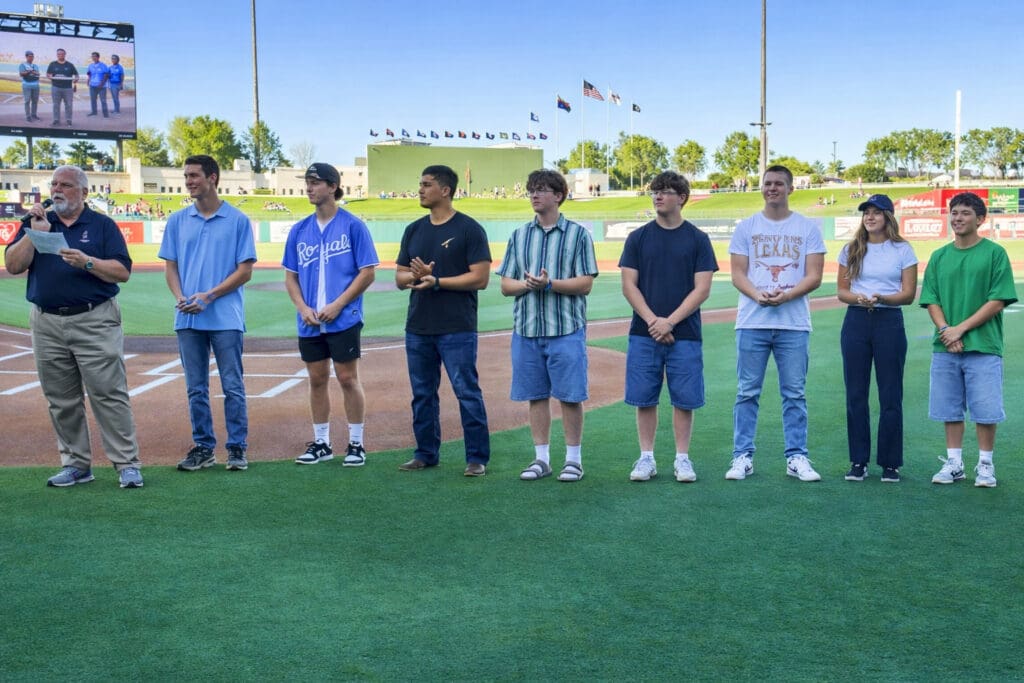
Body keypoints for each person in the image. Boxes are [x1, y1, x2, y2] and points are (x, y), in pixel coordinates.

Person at [3, 166, 142, 488]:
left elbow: (122, 271)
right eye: (53, 184)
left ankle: (126, 464)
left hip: (94, 319)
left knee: (108, 394)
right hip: (47, 321)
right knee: (61, 399)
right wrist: (35, 234)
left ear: (84, 192)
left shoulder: (102, 225)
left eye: (65, 185)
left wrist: (88, 262)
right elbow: (12, 265)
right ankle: (76, 465)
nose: (57, 190)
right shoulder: (34, 222)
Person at [727, 164, 826, 482]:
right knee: (747, 392)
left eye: (779, 184)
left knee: (794, 393)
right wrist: (757, 294)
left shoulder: (807, 228)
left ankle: (796, 456)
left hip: (793, 323)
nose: (772, 188)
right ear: (761, 187)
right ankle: (742, 456)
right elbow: (737, 273)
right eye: (767, 183)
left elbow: (814, 276)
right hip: (752, 321)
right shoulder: (746, 227)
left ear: (790, 188)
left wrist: (786, 296)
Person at [159, 155, 257, 472]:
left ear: (213, 178)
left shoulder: (237, 220)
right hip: (188, 317)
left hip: (225, 318)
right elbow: (170, 266)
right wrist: (180, 297)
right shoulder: (177, 221)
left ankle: (237, 448)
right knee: (196, 388)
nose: (189, 181)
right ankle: (203, 447)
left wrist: (210, 295)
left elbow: (245, 271)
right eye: (186, 176)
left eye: (195, 176)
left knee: (232, 386)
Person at [498, 169, 598, 482]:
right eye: (531, 190)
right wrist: (530, 286)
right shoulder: (519, 235)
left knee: (570, 395)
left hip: (565, 328)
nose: (534, 196)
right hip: (526, 328)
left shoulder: (578, 234)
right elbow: (505, 284)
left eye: (541, 190)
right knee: (536, 395)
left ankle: (573, 459)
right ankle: (541, 459)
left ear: (558, 195)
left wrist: (550, 284)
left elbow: (585, 283)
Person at [620, 171, 719, 483]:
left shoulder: (698, 239)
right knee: (644, 398)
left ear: (682, 198)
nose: (658, 196)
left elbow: (702, 288)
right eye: (655, 191)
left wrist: (670, 321)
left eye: (665, 191)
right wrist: (654, 322)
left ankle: (682, 459)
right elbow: (629, 285)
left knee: (684, 399)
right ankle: (646, 457)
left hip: (684, 334)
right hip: (644, 333)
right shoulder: (638, 237)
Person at [395, 165, 491, 476]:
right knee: (422, 394)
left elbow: (481, 278)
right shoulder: (413, 230)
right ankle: (425, 453)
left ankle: (476, 458)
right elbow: (399, 278)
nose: (420, 189)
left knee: (466, 391)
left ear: (445, 190)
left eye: (426, 184)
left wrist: (437, 281)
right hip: (418, 327)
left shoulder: (469, 229)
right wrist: (416, 275)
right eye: (419, 184)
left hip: (457, 327)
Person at [283, 163, 379, 466]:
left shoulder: (353, 226)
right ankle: (321, 443)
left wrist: (338, 304)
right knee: (316, 379)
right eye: (308, 182)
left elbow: (367, 273)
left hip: (344, 316)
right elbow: (291, 277)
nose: (309, 188)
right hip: (309, 320)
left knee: (348, 378)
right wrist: (302, 308)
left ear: (333, 186)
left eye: (316, 182)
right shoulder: (299, 230)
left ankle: (356, 443)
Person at [920, 192, 1016, 487]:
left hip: (983, 346)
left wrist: (959, 330)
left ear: (980, 219)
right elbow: (931, 299)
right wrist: (946, 331)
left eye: (964, 213)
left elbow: (998, 299)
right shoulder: (939, 256)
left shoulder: (994, 253)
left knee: (985, 410)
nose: (957, 218)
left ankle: (985, 465)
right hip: (946, 346)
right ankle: (954, 463)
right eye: (954, 213)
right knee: (949, 408)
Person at [836, 194, 918, 483]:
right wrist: (859, 297)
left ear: (888, 217)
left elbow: (908, 295)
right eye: (866, 213)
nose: (870, 217)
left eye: (876, 212)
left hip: (889, 321)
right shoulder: (851, 249)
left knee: (890, 395)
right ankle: (858, 461)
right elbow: (842, 291)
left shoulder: (903, 250)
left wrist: (884, 298)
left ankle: (890, 463)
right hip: (856, 320)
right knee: (856, 394)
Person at [46, 48, 78, 127]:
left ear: (65, 54)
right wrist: (50, 77)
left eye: (62, 54)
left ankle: (69, 120)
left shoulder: (70, 65)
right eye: (58, 54)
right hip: (56, 88)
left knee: (69, 105)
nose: (60, 55)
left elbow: (76, 75)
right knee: (56, 105)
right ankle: (56, 120)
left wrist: (75, 80)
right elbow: (48, 74)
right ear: (57, 55)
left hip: (68, 88)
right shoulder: (52, 64)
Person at [85, 52, 109, 118]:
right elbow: (89, 74)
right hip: (92, 86)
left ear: (98, 57)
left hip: (101, 87)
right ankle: (94, 112)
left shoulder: (103, 65)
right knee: (93, 100)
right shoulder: (90, 65)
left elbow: (106, 75)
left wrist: (101, 84)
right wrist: (88, 81)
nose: (93, 58)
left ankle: (105, 114)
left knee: (103, 100)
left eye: (95, 56)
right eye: (92, 56)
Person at [20, 50, 41, 122]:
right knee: (27, 101)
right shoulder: (22, 65)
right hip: (26, 85)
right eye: (29, 56)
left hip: (36, 85)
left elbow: (38, 74)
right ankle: (28, 116)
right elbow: (22, 74)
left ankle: (34, 114)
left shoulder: (35, 65)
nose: (31, 58)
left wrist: (30, 71)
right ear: (26, 57)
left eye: (32, 56)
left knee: (35, 101)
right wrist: (30, 71)